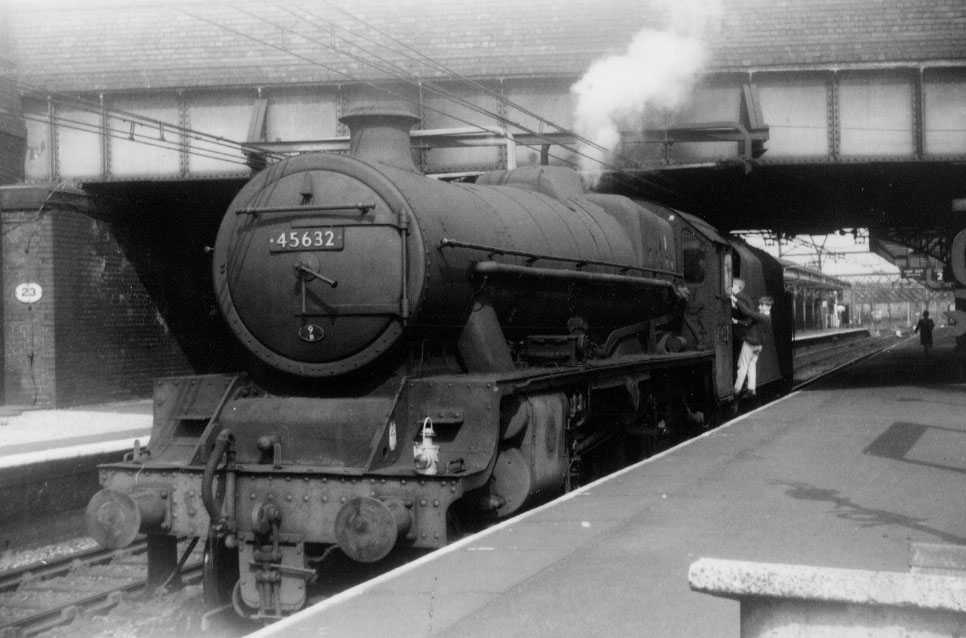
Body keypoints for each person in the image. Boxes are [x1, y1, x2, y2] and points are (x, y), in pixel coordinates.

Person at [733, 295, 774, 399]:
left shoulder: (763, 317)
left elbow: (747, 312)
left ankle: (736, 390)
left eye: (762, 305)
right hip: (758, 347)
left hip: (750, 344)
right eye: (760, 305)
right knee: (751, 366)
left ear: (768, 307)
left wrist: (734, 299)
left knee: (742, 366)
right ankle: (751, 389)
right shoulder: (766, 318)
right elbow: (748, 323)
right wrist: (737, 321)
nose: (759, 307)